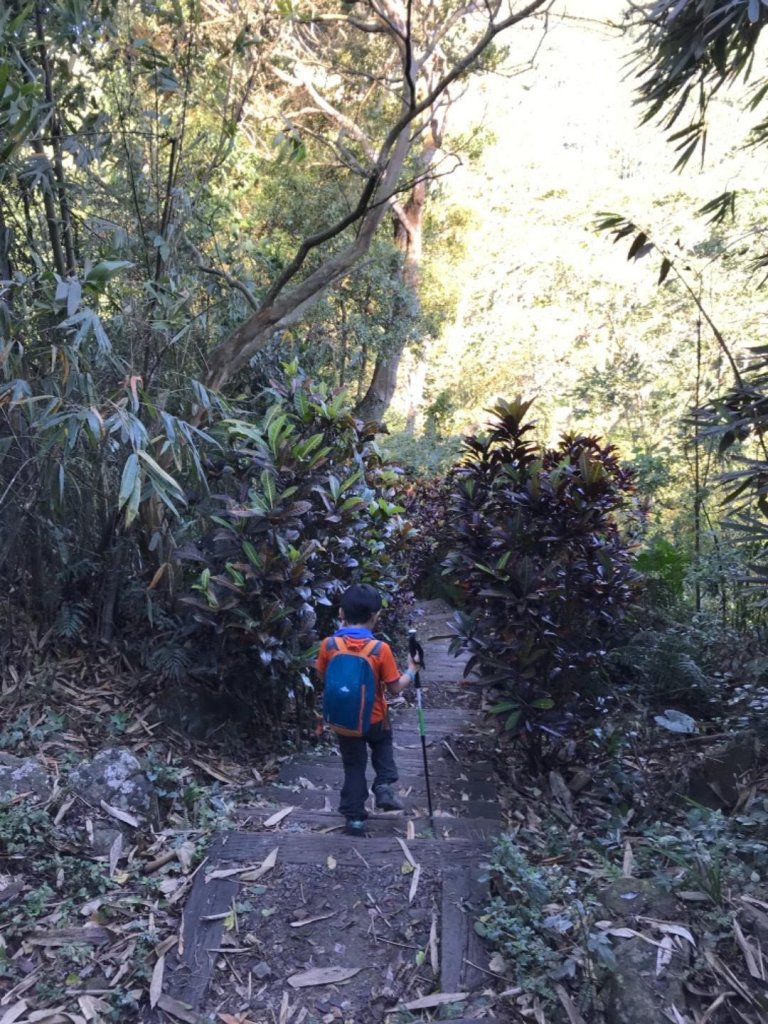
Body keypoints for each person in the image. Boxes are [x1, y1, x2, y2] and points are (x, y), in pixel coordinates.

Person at [316, 583, 419, 836]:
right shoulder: (379, 649)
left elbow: (323, 676)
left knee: (353, 766)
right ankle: (383, 784)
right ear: (376, 617)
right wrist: (412, 670)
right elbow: (396, 688)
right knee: (382, 743)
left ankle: (355, 820)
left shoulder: (328, 645)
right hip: (373, 719)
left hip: (343, 722)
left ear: (341, 613)